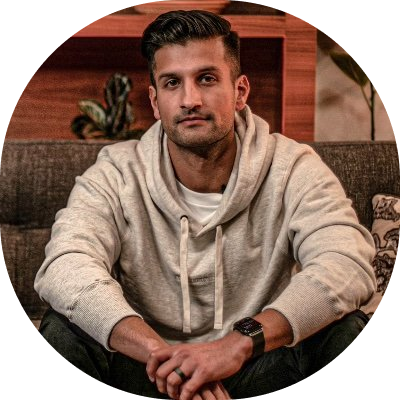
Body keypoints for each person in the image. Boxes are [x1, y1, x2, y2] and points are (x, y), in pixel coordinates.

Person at [34, 10, 376, 400]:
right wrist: (169, 360)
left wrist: (237, 345)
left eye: (207, 79)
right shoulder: (116, 172)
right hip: (148, 370)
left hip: (255, 368)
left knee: (344, 330)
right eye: (172, 83)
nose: (190, 100)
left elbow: (346, 262)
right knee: (63, 329)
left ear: (240, 91)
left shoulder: (293, 167)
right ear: (155, 101)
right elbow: (66, 265)